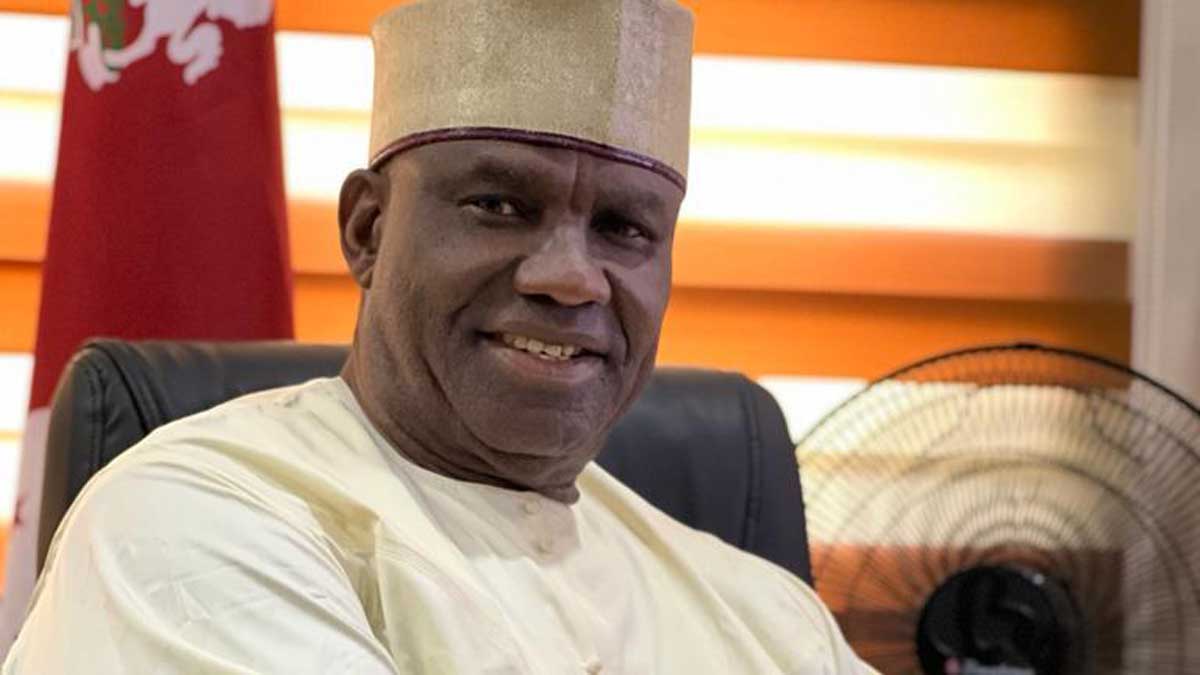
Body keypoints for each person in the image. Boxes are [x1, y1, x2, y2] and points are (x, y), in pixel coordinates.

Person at [5, 1, 877, 672]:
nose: (572, 278)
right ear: (367, 229)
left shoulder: (768, 617)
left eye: (624, 228)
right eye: (499, 204)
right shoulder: (188, 519)